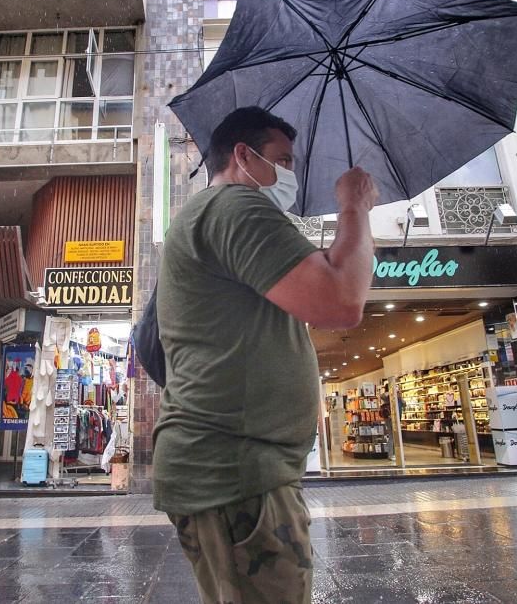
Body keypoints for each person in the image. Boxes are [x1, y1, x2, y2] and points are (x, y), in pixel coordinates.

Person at [153, 106, 378, 603]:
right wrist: (354, 208)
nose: (291, 174)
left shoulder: (213, 215)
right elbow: (341, 303)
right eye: (282, 159)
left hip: (237, 470)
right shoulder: (235, 207)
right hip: (237, 474)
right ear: (243, 155)